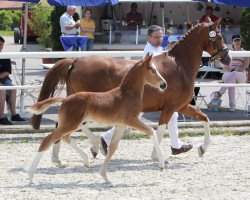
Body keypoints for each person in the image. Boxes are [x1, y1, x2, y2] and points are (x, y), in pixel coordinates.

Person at [100, 25, 192, 157]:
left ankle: (176, 145)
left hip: (151, 91)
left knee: (170, 115)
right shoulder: (150, 52)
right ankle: (106, 138)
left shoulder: (158, 49)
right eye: (156, 37)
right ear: (149, 38)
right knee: (133, 118)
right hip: (148, 92)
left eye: (161, 36)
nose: (159, 39)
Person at [212, 35, 250, 112]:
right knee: (231, 81)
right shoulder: (228, 52)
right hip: (228, 73)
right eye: (235, 40)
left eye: (238, 40)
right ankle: (232, 106)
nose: (237, 42)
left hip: (240, 74)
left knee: (234, 74)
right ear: (232, 42)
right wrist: (227, 68)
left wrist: (237, 69)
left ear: (240, 41)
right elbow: (222, 64)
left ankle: (220, 92)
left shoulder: (245, 52)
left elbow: (245, 66)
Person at [0, 36, 26, 125]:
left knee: (13, 88)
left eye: (2, 45)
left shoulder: (5, 57)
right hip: (1, 83)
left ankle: (14, 114)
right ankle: (1, 116)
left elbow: (7, 72)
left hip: (4, 80)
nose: (1, 47)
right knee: (1, 89)